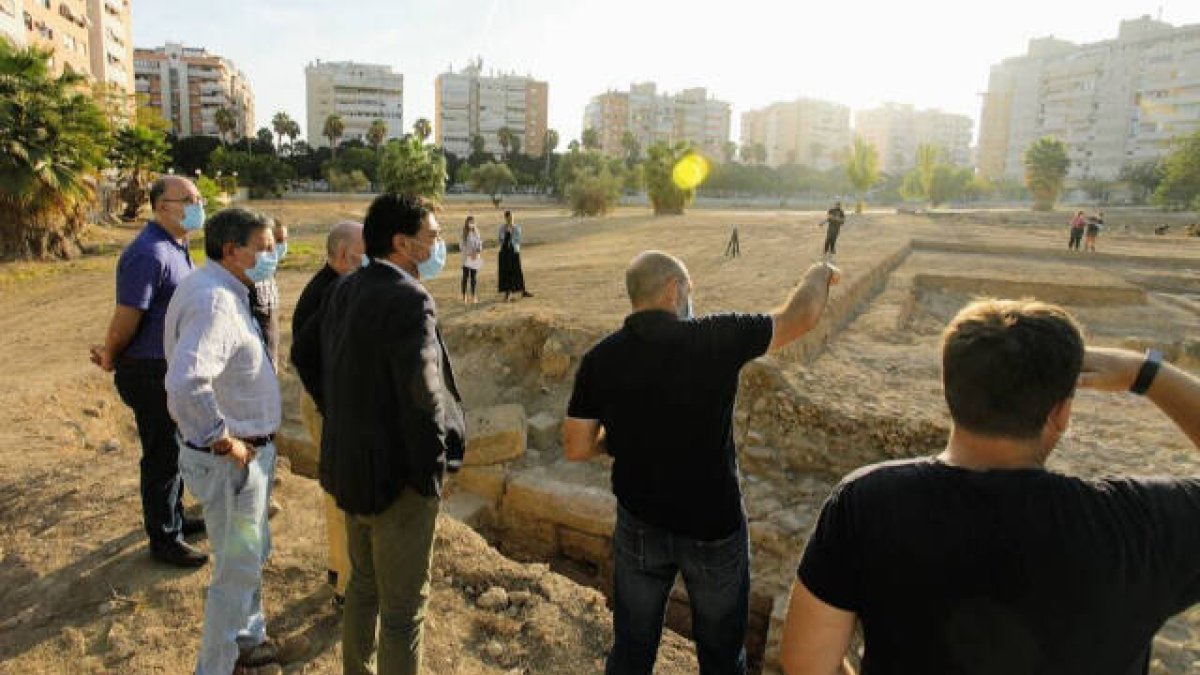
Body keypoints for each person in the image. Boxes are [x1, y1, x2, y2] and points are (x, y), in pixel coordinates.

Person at [780, 299, 1200, 675]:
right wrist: (1147, 374)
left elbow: (805, 663)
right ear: (1061, 413)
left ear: (950, 392)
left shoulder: (866, 503)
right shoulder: (1139, 526)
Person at [564, 251, 841, 675]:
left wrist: (616, 441)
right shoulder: (716, 337)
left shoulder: (601, 358)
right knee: (721, 656)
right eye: (690, 288)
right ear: (674, 290)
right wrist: (820, 273)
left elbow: (577, 447)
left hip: (639, 525)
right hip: (713, 530)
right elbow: (800, 316)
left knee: (632, 649)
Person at [293, 194, 466, 675]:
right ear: (403, 242)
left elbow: (305, 353)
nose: (437, 245)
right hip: (398, 484)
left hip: (352, 469)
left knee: (362, 589)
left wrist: (342, 414)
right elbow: (425, 398)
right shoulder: (410, 298)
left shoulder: (346, 288)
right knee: (403, 613)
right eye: (432, 236)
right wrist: (431, 474)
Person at [164, 207, 300, 675]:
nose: (271, 255)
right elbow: (185, 382)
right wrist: (224, 441)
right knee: (236, 571)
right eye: (262, 248)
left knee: (249, 553)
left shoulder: (219, 287)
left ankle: (250, 637)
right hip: (234, 464)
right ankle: (217, 667)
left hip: (245, 461)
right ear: (231, 250)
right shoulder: (217, 302)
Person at [89, 175, 207, 568]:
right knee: (162, 453)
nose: (197, 204)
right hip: (150, 370)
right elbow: (127, 318)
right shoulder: (148, 253)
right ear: (161, 206)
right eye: (188, 199)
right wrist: (110, 355)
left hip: (174, 367)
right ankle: (164, 539)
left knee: (176, 449)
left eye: (198, 197)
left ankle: (174, 517)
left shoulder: (177, 246)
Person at [289, 220, 366, 605]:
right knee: (343, 497)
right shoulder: (329, 292)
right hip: (329, 411)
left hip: (329, 407)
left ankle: (340, 569)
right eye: (363, 253)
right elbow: (305, 357)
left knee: (338, 496)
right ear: (341, 255)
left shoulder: (336, 285)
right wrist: (335, 410)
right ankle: (347, 587)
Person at [250, 220, 288, 366]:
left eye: (284, 240)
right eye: (277, 241)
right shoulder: (252, 276)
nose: (281, 246)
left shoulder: (269, 273)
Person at [498, 209, 532, 301]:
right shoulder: (502, 228)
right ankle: (507, 293)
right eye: (509, 218)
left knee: (518, 271)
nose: (511, 219)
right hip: (505, 253)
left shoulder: (517, 227)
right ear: (505, 218)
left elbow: (517, 240)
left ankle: (523, 291)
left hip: (514, 252)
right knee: (506, 273)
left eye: (512, 218)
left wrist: (509, 234)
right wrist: (507, 233)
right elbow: (501, 240)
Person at [460, 215, 483, 305]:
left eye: (472, 222)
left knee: (474, 278)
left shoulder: (477, 232)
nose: (471, 224)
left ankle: (473, 296)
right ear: (466, 223)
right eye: (469, 222)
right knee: (465, 277)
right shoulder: (463, 234)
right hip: (466, 258)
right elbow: (461, 246)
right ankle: (464, 296)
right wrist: (469, 253)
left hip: (475, 257)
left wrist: (478, 249)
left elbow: (479, 243)